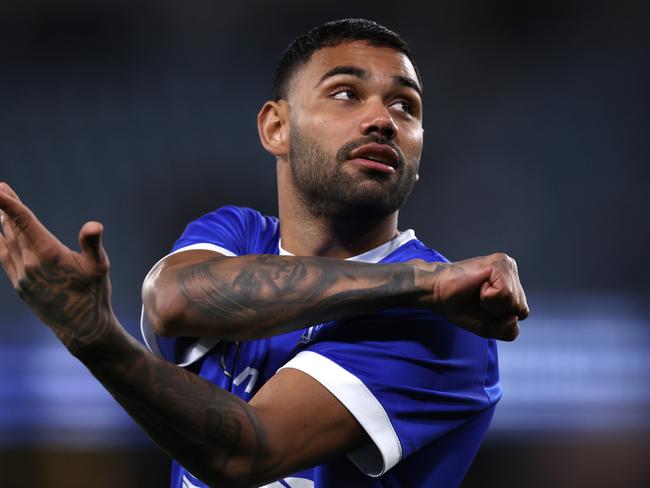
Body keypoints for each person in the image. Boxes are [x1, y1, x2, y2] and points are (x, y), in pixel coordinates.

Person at [0, 18, 528, 488]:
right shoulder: (237, 232)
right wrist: (417, 284)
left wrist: (95, 340)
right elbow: (172, 301)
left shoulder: (452, 322)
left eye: (404, 105)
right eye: (345, 93)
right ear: (276, 127)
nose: (382, 119)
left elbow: (244, 454)